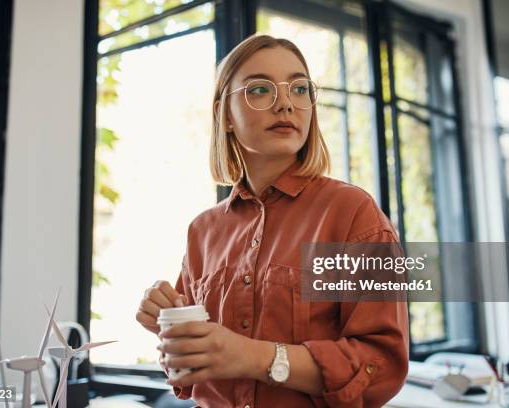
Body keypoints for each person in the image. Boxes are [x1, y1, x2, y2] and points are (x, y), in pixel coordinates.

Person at [136, 34, 409, 408]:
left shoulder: (353, 213)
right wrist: (168, 324)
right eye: (261, 90)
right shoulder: (202, 231)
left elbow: (382, 366)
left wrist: (254, 357)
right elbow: (187, 368)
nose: (285, 103)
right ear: (224, 116)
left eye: (299, 88)